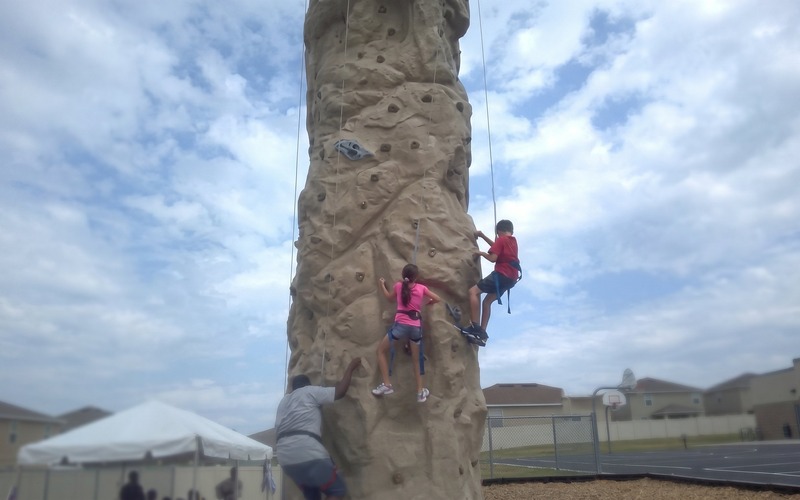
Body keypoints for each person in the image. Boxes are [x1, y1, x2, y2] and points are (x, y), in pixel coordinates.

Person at [275, 358, 361, 500]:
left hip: (285, 457)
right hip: (307, 450)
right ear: (307, 385)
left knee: (312, 494)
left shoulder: (283, 402)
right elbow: (340, 392)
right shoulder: (309, 392)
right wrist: (351, 367)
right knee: (337, 490)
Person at [372, 263, 441, 402]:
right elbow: (437, 299)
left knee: (380, 351)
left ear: (403, 275)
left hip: (400, 327)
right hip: (415, 327)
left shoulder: (398, 286)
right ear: (416, 277)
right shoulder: (422, 288)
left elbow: (388, 297)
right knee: (416, 360)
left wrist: (382, 285)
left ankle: (387, 385)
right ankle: (420, 392)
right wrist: (426, 303)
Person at [465, 219, 520, 340]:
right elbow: (497, 247)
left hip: (501, 274)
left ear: (498, 231)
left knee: (473, 292)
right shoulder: (513, 242)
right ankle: (482, 333)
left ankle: (475, 326)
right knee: (487, 302)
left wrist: (481, 253)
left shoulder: (501, 240)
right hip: (511, 279)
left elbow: (493, 258)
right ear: (511, 230)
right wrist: (483, 235)